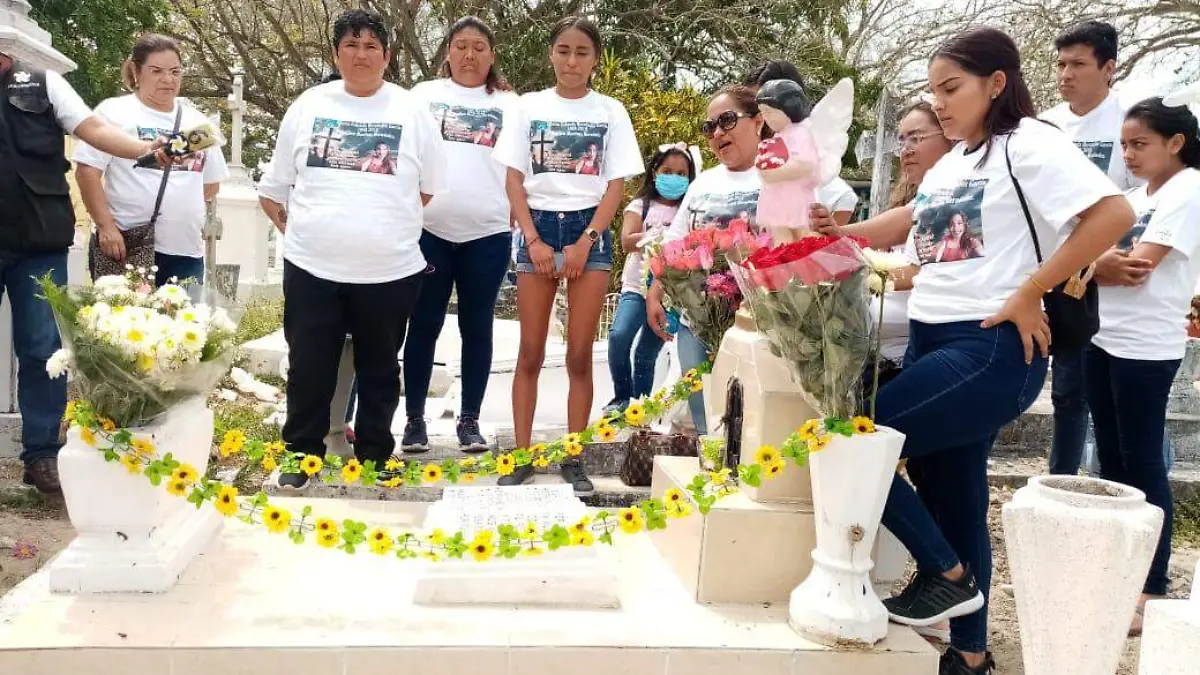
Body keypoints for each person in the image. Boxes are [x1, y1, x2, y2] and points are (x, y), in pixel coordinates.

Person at [834, 27, 1133, 675]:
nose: (939, 104)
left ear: (996, 83)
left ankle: (946, 573)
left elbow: (1113, 215)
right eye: (933, 91)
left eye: (951, 89)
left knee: (851, 443)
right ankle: (969, 654)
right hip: (932, 342)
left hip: (990, 345)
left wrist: (1031, 289)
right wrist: (833, 236)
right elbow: (911, 223)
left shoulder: (1028, 143)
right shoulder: (954, 162)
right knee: (958, 496)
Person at [257, 9, 448, 490]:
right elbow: (273, 189)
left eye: (370, 47)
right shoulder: (308, 105)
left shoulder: (411, 111)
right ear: (335, 53)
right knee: (309, 367)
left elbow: (428, 188)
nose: (360, 55)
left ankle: (376, 454)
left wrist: (381, 225)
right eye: (351, 45)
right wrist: (307, 232)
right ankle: (302, 453)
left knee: (380, 369)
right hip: (312, 267)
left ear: (387, 56)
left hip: (389, 270)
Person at [1, 48, 174, 493]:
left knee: (42, 350)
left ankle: (42, 454)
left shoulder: (43, 82)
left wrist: (145, 149)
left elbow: (92, 129)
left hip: (37, 240)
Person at [492, 16, 643, 494]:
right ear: (551, 54)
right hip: (537, 226)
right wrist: (533, 240)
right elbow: (513, 178)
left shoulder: (611, 111)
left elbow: (615, 185)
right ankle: (520, 457)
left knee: (579, 354)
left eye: (582, 52)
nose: (571, 61)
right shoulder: (528, 107)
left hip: (587, 230)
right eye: (563, 50)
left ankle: (573, 457)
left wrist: (587, 241)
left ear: (595, 59)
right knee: (530, 352)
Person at [1088, 97, 1200, 635]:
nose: (1128, 155)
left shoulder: (1188, 190)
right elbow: (1085, 257)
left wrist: (1089, 267)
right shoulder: (1133, 199)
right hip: (1101, 338)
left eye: (1140, 144)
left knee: (1143, 461)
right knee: (1111, 459)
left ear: (1175, 143)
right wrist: (1093, 265)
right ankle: (1119, 571)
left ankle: (1152, 584)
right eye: (1124, 145)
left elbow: (1136, 267)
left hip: (1146, 346)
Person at [399, 16, 518, 454]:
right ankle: (414, 420)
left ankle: (470, 420)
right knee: (423, 323)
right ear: (448, 52)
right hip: (428, 231)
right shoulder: (423, 97)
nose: (470, 55)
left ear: (491, 55)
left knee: (477, 327)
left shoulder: (511, 105)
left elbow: (521, 167)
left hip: (487, 235)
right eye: (461, 46)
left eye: (479, 47)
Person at [1040, 20, 1146, 476]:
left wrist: (1100, 257)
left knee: (1079, 390)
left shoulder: (1131, 122)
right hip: (1044, 266)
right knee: (1031, 378)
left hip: (1100, 279)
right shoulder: (1044, 125)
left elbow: (1144, 199)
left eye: (1078, 64)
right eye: (1061, 64)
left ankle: (1072, 481)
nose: (1066, 74)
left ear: (1109, 68)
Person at [646, 84, 767, 434]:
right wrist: (655, 292)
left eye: (727, 120)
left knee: (749, 419)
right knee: (705, 415)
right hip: (696, 321)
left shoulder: (778, 176)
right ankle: (709, 461)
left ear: (758, 121)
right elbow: (674, 241)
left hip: (757, 322)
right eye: (709, 126)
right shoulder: (702, 184)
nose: (717, 133)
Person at [75, 33, 229, 288]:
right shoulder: (113, 112)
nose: (167, 79)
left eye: (175, 71)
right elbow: (87, 171)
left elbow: (211, 185)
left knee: (183, 315)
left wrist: (178, 206)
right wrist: (106, 226)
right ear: (136, 71)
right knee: (124, 313)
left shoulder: (198, 123)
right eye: (156, 71)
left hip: (186, 252)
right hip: (127, 245)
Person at [603, 144, 697, 415]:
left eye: (681, 174)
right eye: (668, 171)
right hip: (636, 288)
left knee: (647, 353)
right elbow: (627, 241)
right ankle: (622, 397)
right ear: (655, 172)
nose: (674, 177)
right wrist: (656, 237)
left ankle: (638, 409)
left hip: (669, 293)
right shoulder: (640, 206)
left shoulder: (688, 210)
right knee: (619, 336)